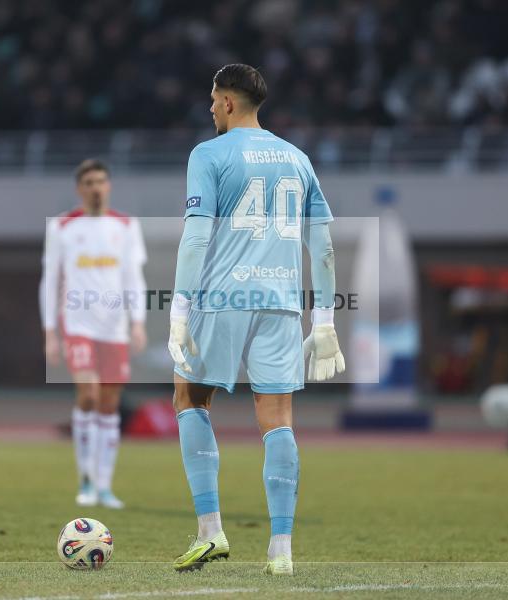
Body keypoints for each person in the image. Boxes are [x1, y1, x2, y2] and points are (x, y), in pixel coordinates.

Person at [167, 64, 343, 575]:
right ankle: (281, 551)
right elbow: (324, 246)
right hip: (282, 303)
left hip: (223, 297)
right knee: (278, 419)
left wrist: (179, 311)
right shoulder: (297, 158)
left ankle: (211, 531)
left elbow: (197, 237)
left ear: (226, 102)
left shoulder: (209, 154)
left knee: (189, 397)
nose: (209, 108)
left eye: (212, 99)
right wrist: (325, 321)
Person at [40, 159, 147, 509]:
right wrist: (50, 332)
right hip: (78, 323)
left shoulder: (126, 226)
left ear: (109, 186)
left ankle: (104, 485)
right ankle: (85, 479)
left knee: (109, 404)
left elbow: (134, 277)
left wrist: (138, 322)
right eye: (89, 182)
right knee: (87, 394)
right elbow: (50, 280)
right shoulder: (63, 227)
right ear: (79, 189)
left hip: (114, 327)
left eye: (101, 181)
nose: (96, 187)